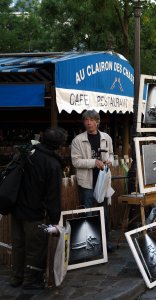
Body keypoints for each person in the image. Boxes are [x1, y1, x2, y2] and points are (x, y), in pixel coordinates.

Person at [11, 127, 67, 289]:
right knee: (35, 247)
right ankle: (30, 280)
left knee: (19, 245)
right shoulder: (52, 164)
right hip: (34, 212)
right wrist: (55, 219)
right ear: (58, 145)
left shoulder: (27, 152)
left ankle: (17, 277)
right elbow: (53, 196)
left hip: (17, 208)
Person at [71, 110, 114, 250]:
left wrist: (110, 161)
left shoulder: (106, 137)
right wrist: (94, 162)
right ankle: (88, 248)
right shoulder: (78, 140)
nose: (89, 123)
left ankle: (105, 244)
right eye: (86, 120)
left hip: (103, 180)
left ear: (97, 121)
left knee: (104, 214)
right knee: (88, 213)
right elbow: (76, 162)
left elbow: (112, 155)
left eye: (91, 120)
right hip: (87, 182)